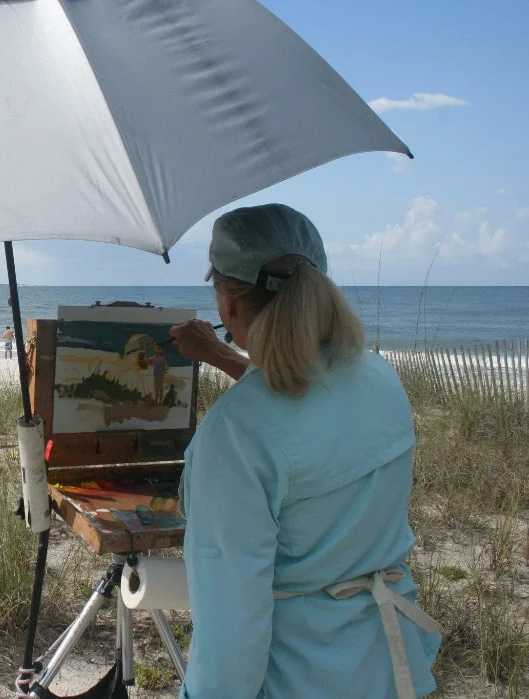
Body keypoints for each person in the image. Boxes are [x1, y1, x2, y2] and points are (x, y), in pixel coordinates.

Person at [169, 204, 440, 699]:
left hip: (300, 675)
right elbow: (306, 412)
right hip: (388, 661)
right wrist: (226, 357)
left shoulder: (235, 432)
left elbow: (231, 618)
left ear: (227, 301)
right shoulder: (380, 377)